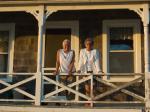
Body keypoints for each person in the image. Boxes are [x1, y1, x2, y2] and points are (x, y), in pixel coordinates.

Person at [77, 38, 102, 106]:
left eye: (90, 44)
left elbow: (97, 61)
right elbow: (81, 61)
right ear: (85, 45)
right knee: (87, 88)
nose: (89, 45)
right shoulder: (82, 51)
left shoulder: (95, 51)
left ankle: (91, 102)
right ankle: (89, 101)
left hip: (93, 71)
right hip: (85, 71)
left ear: (92, 45)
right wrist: (79, 69)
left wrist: (99, 71)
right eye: (87, 44)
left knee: (93, 88)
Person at [53, 39, 75, 103]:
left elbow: (72, 62)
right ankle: (64, 101)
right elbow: (57, 61)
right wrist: (56, 70)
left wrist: (70, 71)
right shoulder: (59, 51)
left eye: (68, 45)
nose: (67, 46)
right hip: (62, 72)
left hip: (71, 72)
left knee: (70, 87)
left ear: (70, 45)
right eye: (65, 45)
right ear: (63, 45)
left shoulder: (72, 52)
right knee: (62, 87)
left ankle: (69, 101)